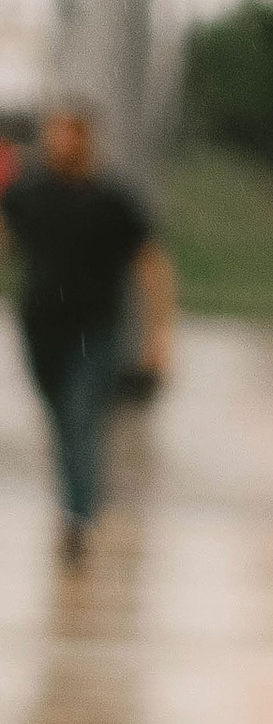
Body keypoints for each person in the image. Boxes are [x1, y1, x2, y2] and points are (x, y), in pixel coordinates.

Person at [0, 101, 173, 559]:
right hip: (39, 328)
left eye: (72, 133)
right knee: (61, 422)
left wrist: (159, 339)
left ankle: (78, 518)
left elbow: (152, 268)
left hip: (93, 330)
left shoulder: (112, 201)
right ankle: (77, 503)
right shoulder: (27, 194)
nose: (62, 142)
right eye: (56, 132)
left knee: (80, 419)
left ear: (88, 139)